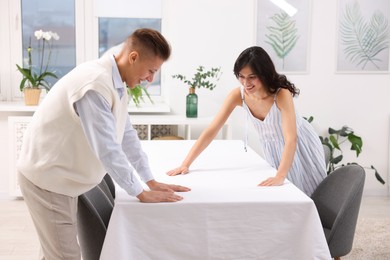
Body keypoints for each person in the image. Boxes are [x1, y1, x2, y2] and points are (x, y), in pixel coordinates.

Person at [17, 28, 190, 259]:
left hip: (62, 176)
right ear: (133, 57)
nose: (151, 79)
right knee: (64, 255)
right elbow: (107, 149)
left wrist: (150, 181)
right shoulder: (95, 86)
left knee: (54, 252)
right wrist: (140, 192)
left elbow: (126, 135)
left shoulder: (117, 82)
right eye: (151, 71)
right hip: (48, 179)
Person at [167, 46, 326, 197]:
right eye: (241, 77)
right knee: (284, 194)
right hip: (274, 149)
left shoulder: (281, 94)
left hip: (301, 145)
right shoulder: (238, 95)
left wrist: (280, 176)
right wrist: (186, 164)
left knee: (310, 191)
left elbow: (291, 139)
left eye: (252, 77)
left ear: (264, 74)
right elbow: (212, 130)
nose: (245, 83)